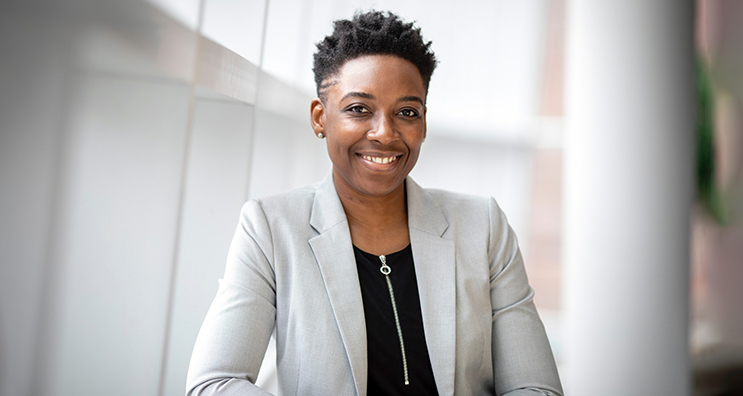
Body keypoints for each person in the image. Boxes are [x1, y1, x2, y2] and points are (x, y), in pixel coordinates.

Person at [186, 10, 563, 396]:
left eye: (406, 112)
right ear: (320, 118)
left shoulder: (482, 227)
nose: (384, 133)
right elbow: (215, 382)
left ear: (424, 123)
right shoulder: (271, 227)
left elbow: (537, 388)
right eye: (358, 109)